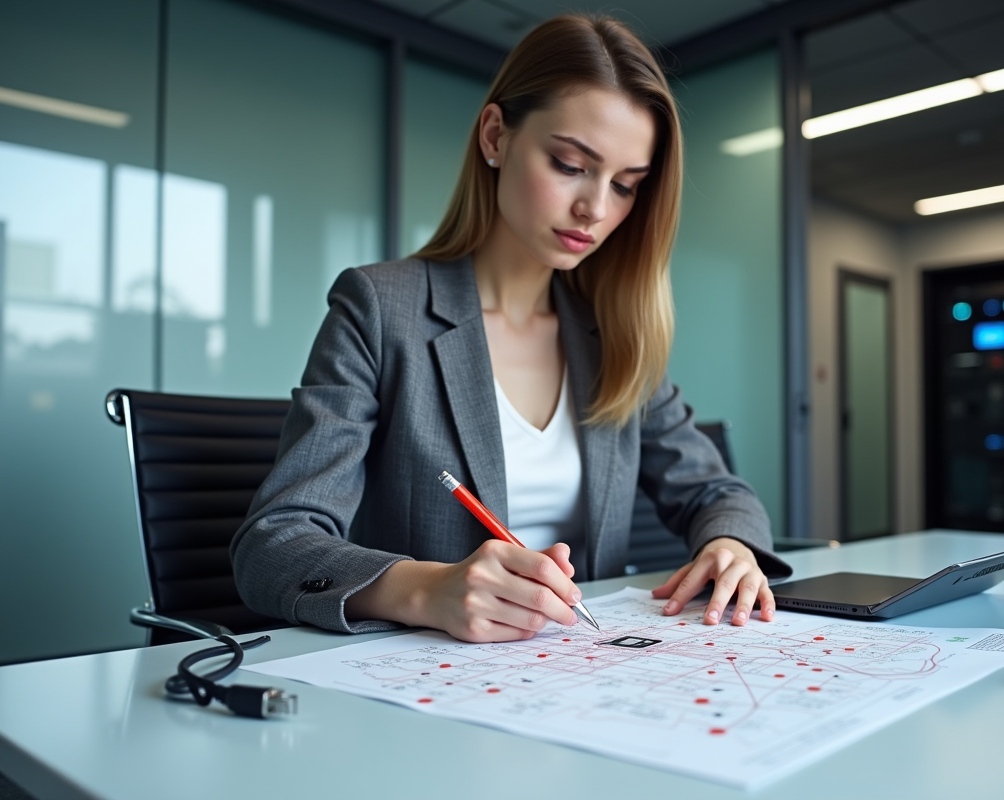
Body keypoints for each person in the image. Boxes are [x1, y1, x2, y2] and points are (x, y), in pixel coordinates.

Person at [231, 14, 791, 644]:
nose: (597, 209)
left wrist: (730, 545)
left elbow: (718, 491)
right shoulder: (380, 308)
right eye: (570, 164)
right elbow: (272, 546)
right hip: (425, 689)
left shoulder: (613, 334)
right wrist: (426, 588)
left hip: (590, 675)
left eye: (627, 186)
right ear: (495, 136)